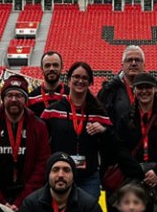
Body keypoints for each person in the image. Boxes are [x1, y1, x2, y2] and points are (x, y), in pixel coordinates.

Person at [41, 62, 122, 202]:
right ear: (68, 79)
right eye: (76, 77)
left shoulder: (98, 111)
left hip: (88, 178)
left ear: (90, 82)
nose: (80, 81)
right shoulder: (53, 110)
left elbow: (113, 143)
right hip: (60, 175)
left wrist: (103, 131)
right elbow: (41, 141)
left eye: (85, 78)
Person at [0, 75, 51, 211]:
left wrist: (22, 200)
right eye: (9, 95)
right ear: (3, 99)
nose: (14, 100)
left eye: (19, 96)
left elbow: (42, 165)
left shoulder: (38, 127)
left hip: (28, 199)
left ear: (26, 100)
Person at [112, 72, 157, 212]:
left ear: (155, 89)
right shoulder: (125, 119)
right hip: (135, 176)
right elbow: (120, 149)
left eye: (148, 87)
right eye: (140, 87)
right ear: (134, 90)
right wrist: (139, 172)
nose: (144, 91)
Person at [98, 45, 157, 130]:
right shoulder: (108, 91)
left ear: (144, 65)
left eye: (137, 60)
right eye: (129, 60)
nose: (133, 63)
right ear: (122, 65)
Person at [28, 51, 68, 117]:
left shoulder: (70, 96)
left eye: (55, 65)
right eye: (47, 65)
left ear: (62, 67)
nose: (51, 69)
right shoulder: (32, 97)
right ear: (41, 68)